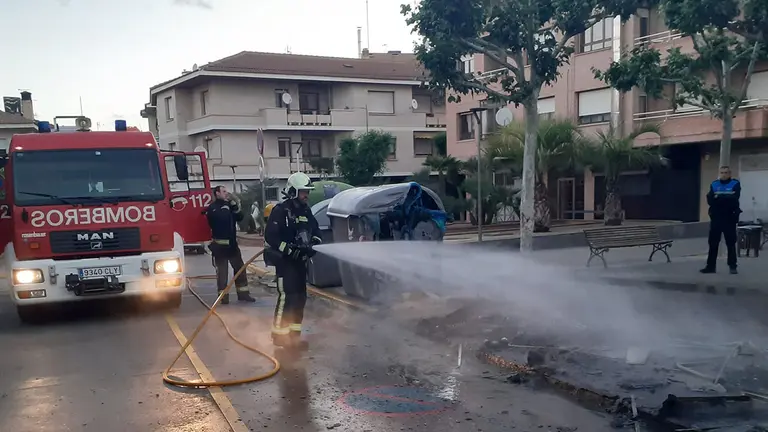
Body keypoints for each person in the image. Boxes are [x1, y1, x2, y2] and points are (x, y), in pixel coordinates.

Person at [264, 172, 322, 349]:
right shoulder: (281, 211)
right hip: (285, 263)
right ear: (293, 191)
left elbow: (317, 233)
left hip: (300, 264)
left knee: (300, 298)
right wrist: (289, 249)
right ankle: (279, 336)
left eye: (307, 191)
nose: (307, 195)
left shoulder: (306, 211)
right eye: (303, 191)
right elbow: (271, 237)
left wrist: (312, 245)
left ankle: (294, 336)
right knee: (287, 298)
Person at [205, 186, 256, 304]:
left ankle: (243, 294)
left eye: (226, 192)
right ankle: (223, 297)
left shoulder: (229, 206)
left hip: (232, 247)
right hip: (220, 248)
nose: (226, 194)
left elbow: (240, 217)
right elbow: (219, 219)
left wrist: (235, 207)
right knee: (222, 274)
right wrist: (227, 207)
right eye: (224, 192)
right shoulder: (213, 208)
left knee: (240, 270)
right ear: (217, 193)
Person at [701, 166, 742, 275]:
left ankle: (732, 266)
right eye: (722, 172)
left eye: (726, 173)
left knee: (731, 243)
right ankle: (710, 266)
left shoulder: (735, 184)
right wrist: (724, 198)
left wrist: (718, 197)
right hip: (716, 218)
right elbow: (710, 200)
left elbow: (734, 199)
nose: (723, 174)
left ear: (730, 174)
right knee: (713, 243)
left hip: (729, 218)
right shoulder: (714, 184)